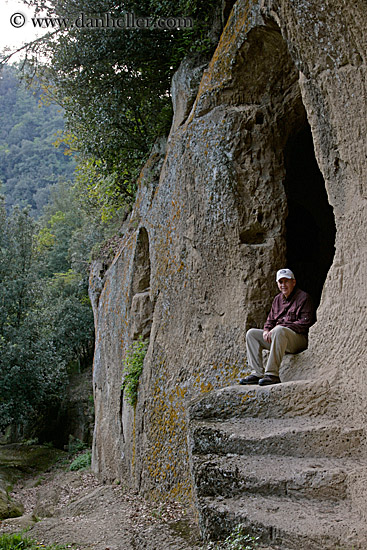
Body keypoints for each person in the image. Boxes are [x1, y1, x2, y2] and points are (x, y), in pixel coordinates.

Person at [240, 268, 315, 386]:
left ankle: (272, 374)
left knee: (279, 330)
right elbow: (270, 320)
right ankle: (257, 373)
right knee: (251, 334)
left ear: (293, 282)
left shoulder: (304, 298)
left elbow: (305, 324)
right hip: (279, 339)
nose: (283, 285)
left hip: (298, 340)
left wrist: (279, 327)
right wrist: (266, 330)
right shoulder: (277, 299)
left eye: (286, 281)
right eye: (280, 282)